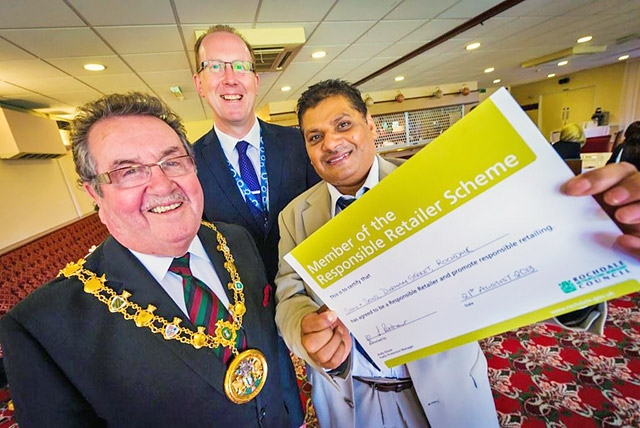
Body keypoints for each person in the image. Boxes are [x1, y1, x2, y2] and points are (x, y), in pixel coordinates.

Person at [274, 79, 640, 427]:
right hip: (348, 400)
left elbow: (507, 259)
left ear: (371, 125)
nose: (331, 143)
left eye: (343, 124)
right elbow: (289, 295)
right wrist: (305, 331)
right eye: (315, 136)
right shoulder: (295, 216)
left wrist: (590, 239)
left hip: (447, 394)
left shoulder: (434, 187)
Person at [0, 92, 299, 427]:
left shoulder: (235, 240)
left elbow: (269, 347)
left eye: (173, 161)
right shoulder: (43, 327)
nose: (162, 184)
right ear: (95, 193)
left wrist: (293, 415)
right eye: (129, 171)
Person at [191, 25, 320, 426]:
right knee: (278, 403)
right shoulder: (189, 165)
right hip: (244, 315)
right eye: (215, 66)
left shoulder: (299, 144)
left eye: (240, 66)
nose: (230, 77)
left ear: (255, 78)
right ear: (199, 83)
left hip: (311, 295)